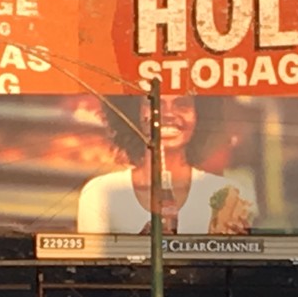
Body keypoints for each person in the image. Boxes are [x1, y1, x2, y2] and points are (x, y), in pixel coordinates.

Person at [74, 96, 256, 236]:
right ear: (133, 114)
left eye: (182, 104)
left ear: (200, 115)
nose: (168, 114)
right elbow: (93, 271)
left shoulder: (229, 193)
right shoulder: (101, 191)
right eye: (154, 103)